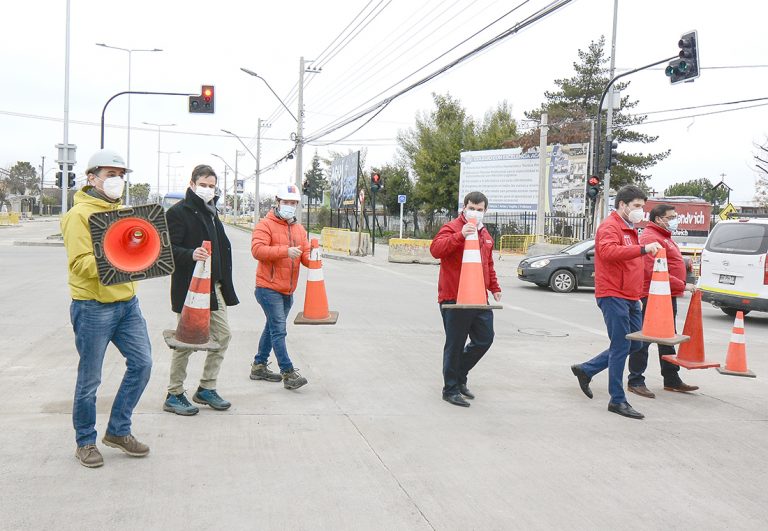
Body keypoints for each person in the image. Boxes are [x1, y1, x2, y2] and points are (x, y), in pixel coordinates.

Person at [61, 149, 152, 468]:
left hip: (127, 304)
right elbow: (80, 263)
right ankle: (85, 441)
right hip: (93, 307)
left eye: (121, 175)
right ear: (91, 178)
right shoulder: (79, 215)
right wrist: (113, 256)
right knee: (90, 379)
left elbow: (138, 248)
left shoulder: (125, 211)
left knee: (143, 364)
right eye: (110, 175)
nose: (118, 181)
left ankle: (118, 431)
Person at [571, 185, 662, 420]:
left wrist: (639, 294)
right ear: (622, 205)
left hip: (630, 296)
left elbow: (632, 264)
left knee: (636, 344)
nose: (641, 211)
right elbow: (609, 252)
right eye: (637, 206)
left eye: (642, 207)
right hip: (613, 294)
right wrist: (642, 249)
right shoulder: (610, 226)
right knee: (622, 346)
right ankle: (617, 400)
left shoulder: (630, 228)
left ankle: (587, 369)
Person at [163, 165, 239, 415]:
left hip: (214, 287)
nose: (208, 189)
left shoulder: (211, 211)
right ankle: (174, 393)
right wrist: (190, 254)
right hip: (190, 289)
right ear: (192, 183)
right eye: (203, 184)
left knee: (223, 334)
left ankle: (206, 387)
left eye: (212, 185)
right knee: (186, 341)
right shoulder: (178, 213)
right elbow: (167, 250)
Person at [430, 191, 502, 407]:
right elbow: (436, 250)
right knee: (455, 343)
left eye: (480, 210)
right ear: (464, 207)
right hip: (454, 298)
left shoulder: (485, 234)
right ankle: (450, 388)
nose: (475, 213)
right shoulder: (452, 227)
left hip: (478, 297)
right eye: (472, 208)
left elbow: (487, 264)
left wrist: (494, 287)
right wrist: (460, 235)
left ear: (485, 211)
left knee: (484, 339)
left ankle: (460, 374)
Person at [627, 204, 698, 398]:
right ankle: (635, 380)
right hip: (653, 296)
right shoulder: (651, 238)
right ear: (659, 219)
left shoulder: (664, 236)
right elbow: (653, 270)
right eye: (672, 216)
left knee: (667, 338)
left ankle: (671, 379)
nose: (675, 219)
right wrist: (682, 285)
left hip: (666, 295)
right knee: (645, 339)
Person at [249, 184, 311, 389]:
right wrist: (285, 251)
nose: (290, 206)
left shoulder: (299, 229)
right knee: (279, 330)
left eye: (293, 203)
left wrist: (315, 259)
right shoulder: (265, 225)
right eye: (286, 202)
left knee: (271, 327)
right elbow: (258, 250)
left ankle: (259, 365)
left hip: (288, 289)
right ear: (277, 202)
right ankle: (288, 372)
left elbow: (306, 255)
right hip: (267, 288)